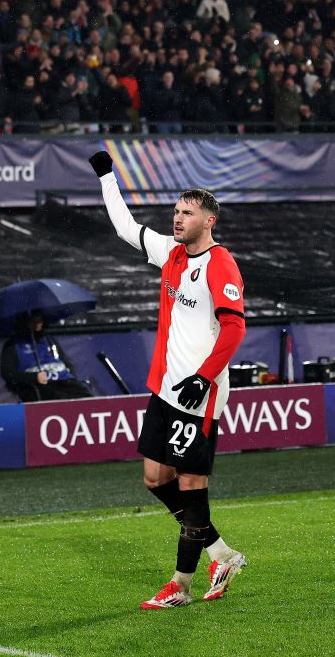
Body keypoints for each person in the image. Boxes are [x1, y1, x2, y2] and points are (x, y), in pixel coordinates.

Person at [89, 150, 248, 609]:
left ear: (209, 220)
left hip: (199, 393)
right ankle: (220, 553)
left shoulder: (220, 265)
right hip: (167, 388)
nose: (177, 219)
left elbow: (235, 327)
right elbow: (124, 227)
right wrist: (107, 178)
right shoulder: (172, 255)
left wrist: (203, 377)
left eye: (187, 213)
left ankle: (180, 584)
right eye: (176, 211)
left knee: (191, 485)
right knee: (156, 478)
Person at [0, 311, 93, 401]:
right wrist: (34, 377)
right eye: (33, 320)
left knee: (89, 398)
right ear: (24, 322)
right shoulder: (13, 345)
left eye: (40, 319)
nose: (38, 323)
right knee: (58, 398)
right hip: (40, 387)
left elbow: (67, 364)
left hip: (66, 383)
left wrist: (69, 375)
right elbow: (8, 373)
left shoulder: (49, 341)